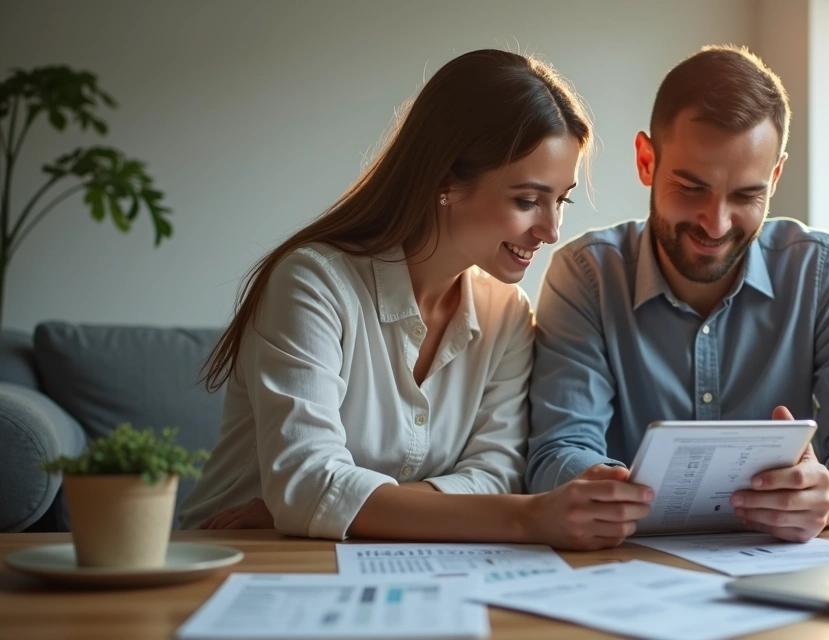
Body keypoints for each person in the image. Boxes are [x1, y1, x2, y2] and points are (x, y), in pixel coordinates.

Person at [178, 50, 654, 550]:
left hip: (385, 563)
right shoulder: (312, 284)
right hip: (236, 562)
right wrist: (527, 518)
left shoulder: (507, 315)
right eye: (526, 200)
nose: (552, 231)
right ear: (445, 180)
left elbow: (495, 474)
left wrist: (347, 506)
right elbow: (309, 482)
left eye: (561, 200)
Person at [526, 45, 829, 543]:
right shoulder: (587, 274)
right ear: (647, 161)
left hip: (780, 574)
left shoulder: (824, 269)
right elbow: (556, 454)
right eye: (691, 188)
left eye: (746, 195)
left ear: (775, 177)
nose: (716, 223)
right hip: (628, 569)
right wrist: (612, 489)